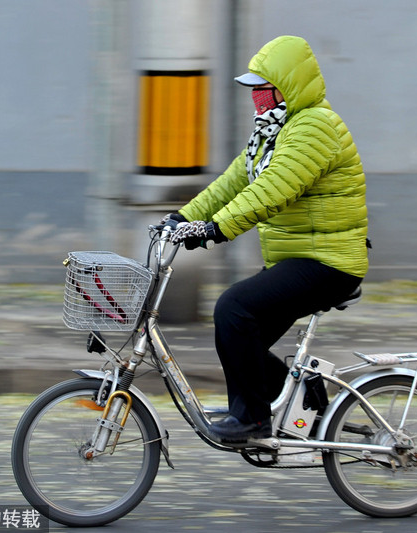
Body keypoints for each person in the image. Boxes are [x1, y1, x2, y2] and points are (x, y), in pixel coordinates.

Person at [164, 35, 368, 442]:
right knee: (242, 336)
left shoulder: (314, 127)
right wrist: (183, 216)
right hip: (299, 258)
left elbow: (273, 189)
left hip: (329, 262)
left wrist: (214, 229)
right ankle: (305, 400)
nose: (256, 96)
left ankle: (254, 420)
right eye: (252, 88)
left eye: (263, 87)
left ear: (287, 87)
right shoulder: (271, 134)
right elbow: (232, 183)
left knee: (233, 307)